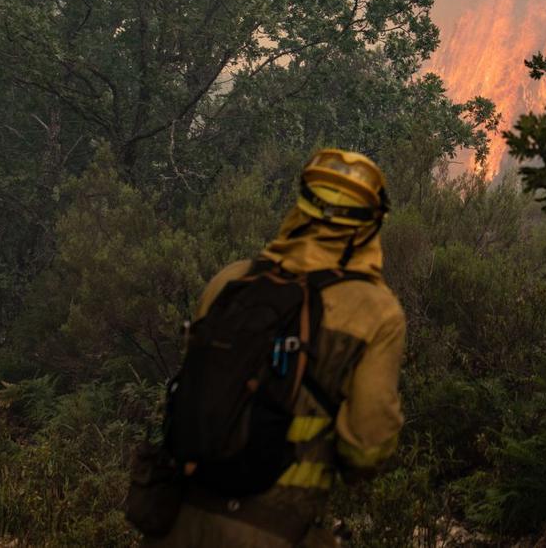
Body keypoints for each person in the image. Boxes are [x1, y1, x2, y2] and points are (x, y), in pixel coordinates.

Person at [148, 148, 406, 548]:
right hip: (273, 532)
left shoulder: (231, 281)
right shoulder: (374, 311)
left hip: (177, 521)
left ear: (301, 207)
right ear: (370, 225)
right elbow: (367, 447)